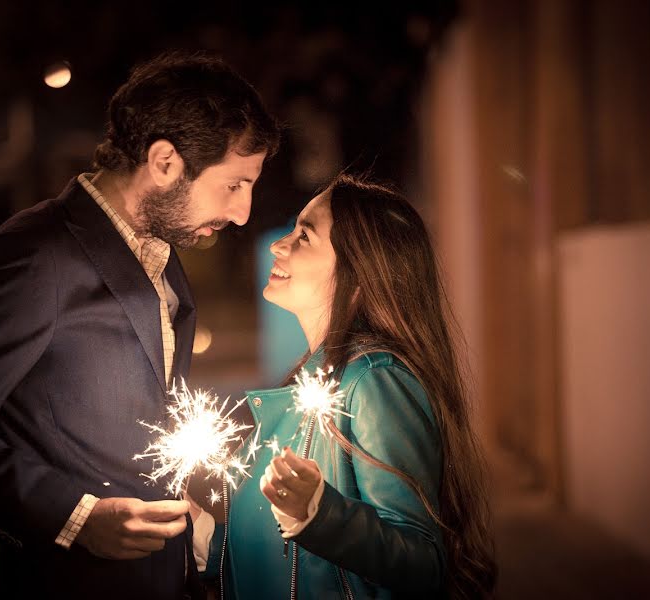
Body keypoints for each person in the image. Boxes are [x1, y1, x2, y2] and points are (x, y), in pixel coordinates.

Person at [0, 51, 279, 599]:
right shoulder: (35, 256)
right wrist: (75, 518)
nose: (245, 213)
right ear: (163, 162)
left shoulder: (162, 249)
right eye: (233, 185)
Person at [193, 174, 496, 598]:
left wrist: (317, 513)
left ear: (358, 276)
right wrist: (206, 539)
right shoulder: (309, 385)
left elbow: (422, 563)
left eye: (305, 236)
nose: (279, 246)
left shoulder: (375, 381)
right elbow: (286, 562)